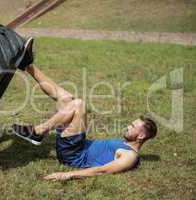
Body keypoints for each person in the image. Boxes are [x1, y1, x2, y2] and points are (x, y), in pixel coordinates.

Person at [12, 38, 158, 181]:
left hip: (74, 155)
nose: (128, 126)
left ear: (140, 136)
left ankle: (37, 132)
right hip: (79, 145)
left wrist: (67, 175)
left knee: (78, 104)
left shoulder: (130, 156)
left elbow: (103, 171)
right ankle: (28, 65)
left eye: (132, 127)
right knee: (67, 99)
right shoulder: (126, 144)